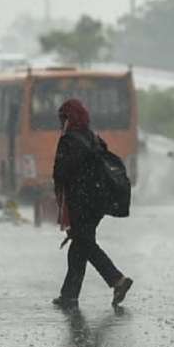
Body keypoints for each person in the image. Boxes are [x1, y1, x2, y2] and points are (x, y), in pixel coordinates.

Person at [51, 99, 133, 309]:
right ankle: (69, 295)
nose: (61, 123)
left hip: (80, 202)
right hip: (98, 202)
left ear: (69, 119)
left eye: (62, 118)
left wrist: (59, 191)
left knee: (85, 244)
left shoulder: (69, 141)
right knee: (79, 245)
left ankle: (117, 279)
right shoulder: (93, 138)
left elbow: (61, 173)